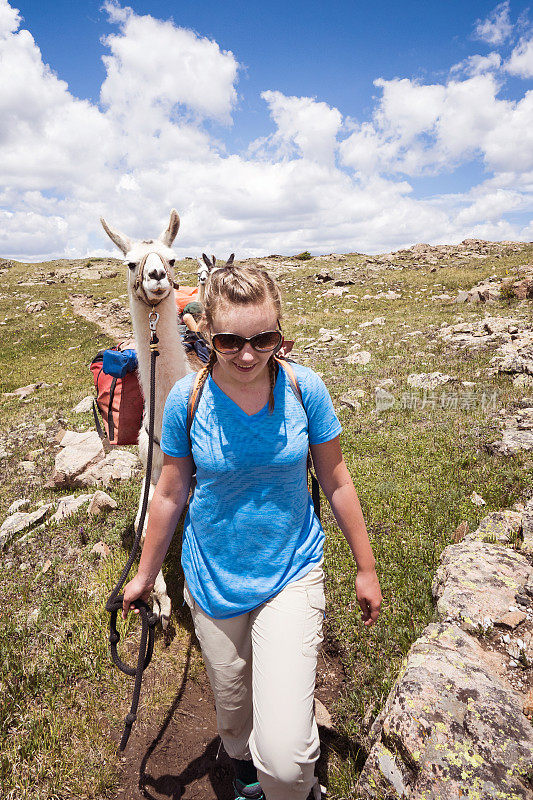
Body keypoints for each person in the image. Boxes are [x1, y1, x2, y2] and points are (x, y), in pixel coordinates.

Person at [122, 264, 382, 800]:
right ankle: (240, 767)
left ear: (280, 334)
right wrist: (146, 576)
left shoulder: (304, 389)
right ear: (205, 334)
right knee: (233, 705)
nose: (247, 355)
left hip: (292, 569)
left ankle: (290, 784)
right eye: (229, 341)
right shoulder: (185, 402)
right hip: (212, 577)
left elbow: (335, 478)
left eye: (263, 339)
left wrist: (367, 566)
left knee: (284, 763)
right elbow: (169, 494)